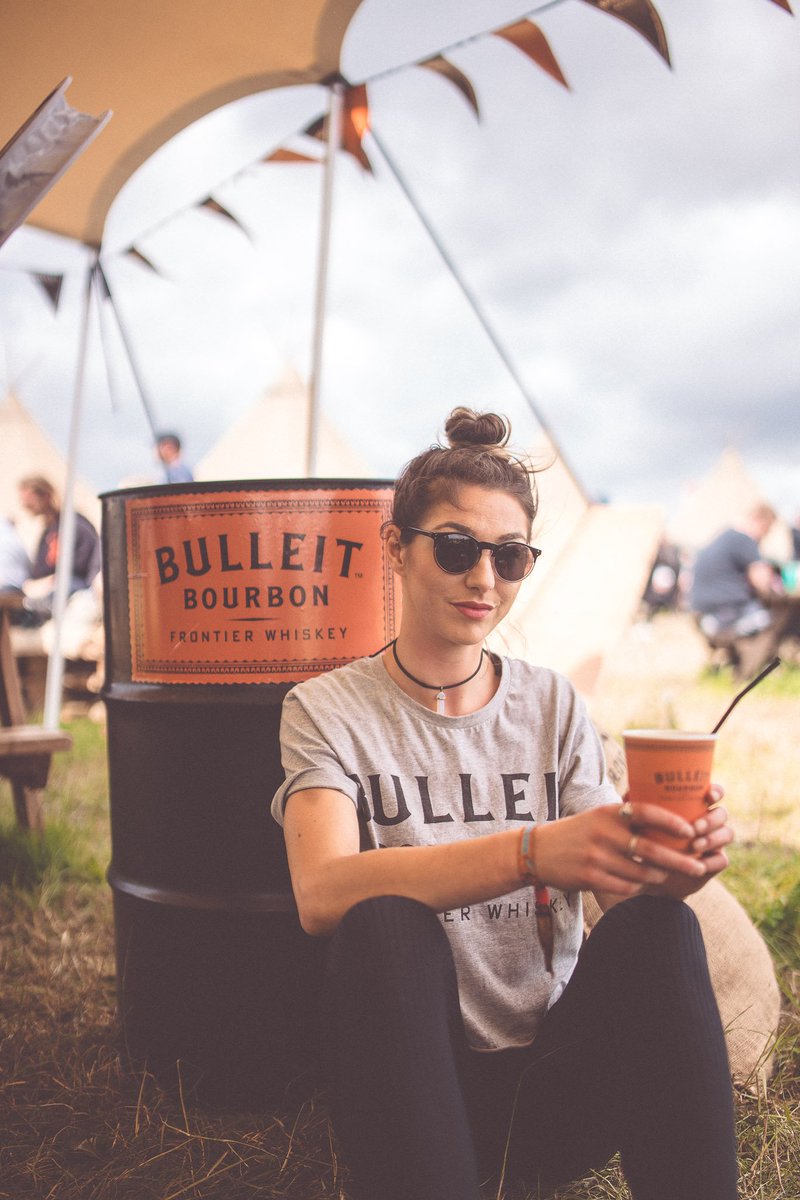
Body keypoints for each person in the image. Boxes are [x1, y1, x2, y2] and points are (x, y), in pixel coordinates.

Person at [271, 409, 737, 1200]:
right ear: (396, 547)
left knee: (662, 927)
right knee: (384, 921)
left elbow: (618, 891)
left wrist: (675, 867)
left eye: (510, 557)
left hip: (553, 1089)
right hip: (412, 1086)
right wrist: (530, 852)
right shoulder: (325, 708)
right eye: (457, 549)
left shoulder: (551, 704)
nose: (484, 580)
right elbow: (321, 895)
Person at [689, 504, 785, 678]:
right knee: (779, 620)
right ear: (759, 521)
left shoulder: (724, 537)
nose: (765, 536)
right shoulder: (744, 540)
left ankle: (738, 665)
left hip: (702, 616)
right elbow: (762, 580)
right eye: (767, 530)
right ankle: (747, 673)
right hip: (725, 617)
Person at [17, 475, 101, 622]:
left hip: (76, 586)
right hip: (52, 585)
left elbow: (83, 565)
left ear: (45, 496)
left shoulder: (75, 524)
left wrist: (52, 581)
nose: (26, 506)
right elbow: (39, 568)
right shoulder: (50, 530)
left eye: (29, 502)